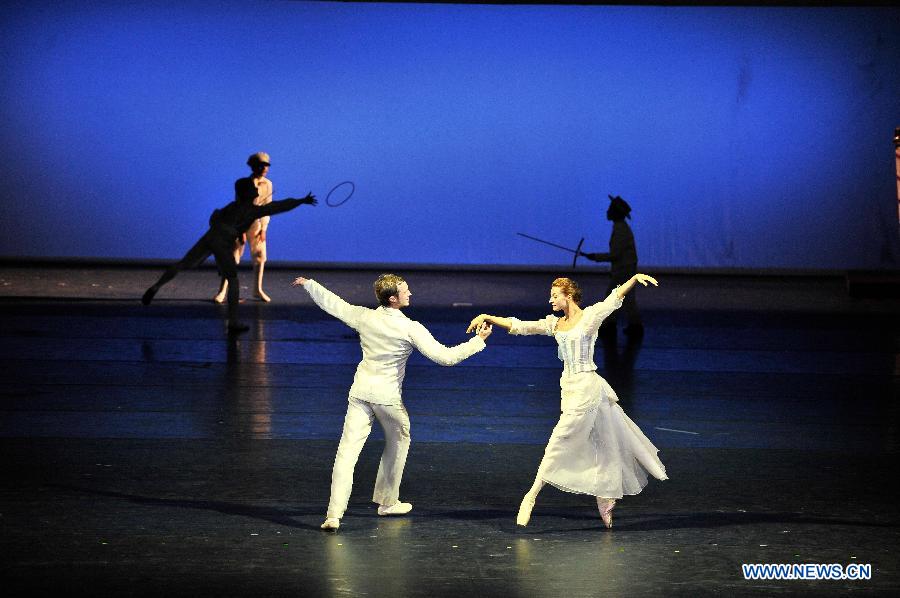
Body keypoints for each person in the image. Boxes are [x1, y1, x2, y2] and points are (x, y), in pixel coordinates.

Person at [292, 274, 493, 531]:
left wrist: (310, 285)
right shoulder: (409, 328)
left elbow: (334, 304)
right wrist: (478, 341)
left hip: (360, 393)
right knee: (399, 439)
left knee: (346, 453)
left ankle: (333, 515)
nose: (410, 293)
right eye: (405, 291)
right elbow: (445, 357)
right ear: (393, 299)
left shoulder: (364, 316)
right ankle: (387, 502)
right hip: (387, 399)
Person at [466, 274, 667, 529]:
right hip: (569, 390)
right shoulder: (555, 324)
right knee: (601, 442)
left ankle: (531, 496)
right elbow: (521, 326)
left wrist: (634, 279)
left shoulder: (589, 317)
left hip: (588, 388)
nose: (550, 300)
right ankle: (604, 498)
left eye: (554, 296)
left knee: (559, 441)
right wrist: (487, 316)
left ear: (568, 297)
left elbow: (614, 299)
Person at [142, 179, 316, 333]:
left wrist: (299, 201)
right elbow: (278, 206)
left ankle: (156, 287)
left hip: (210, 236)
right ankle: (233, 323)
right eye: (252, 189)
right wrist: (301, 201)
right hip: (222, 242)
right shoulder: (251, 211)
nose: (256, 191)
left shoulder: (231, 207)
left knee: (183, 264)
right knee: (233, 279)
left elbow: (216, 218)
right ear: (248, 193)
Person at [214, 152, 275, 304]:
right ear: (253, 166)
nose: (264, 168)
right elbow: (239, 206)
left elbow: (268, 206)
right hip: (241, 223)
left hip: (257, 224)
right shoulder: (243, 183)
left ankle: (257, 289)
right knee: (233, 257)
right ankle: (222, 291)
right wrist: (240, 230)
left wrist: (264, 228)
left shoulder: (268, 184)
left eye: (266, 166)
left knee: (260, 257)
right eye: (261, 165)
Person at [583, 195, 642, 337]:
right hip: (625, 269)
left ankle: (613, 325)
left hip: (624, 270)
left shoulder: (621, 230)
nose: (607, 211)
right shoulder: (620, 228)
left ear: (616, 212)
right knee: (623, 298)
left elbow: (615, 255)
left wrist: (595, 257)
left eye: (610, 209)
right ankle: (628, 325)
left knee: (613, 296)